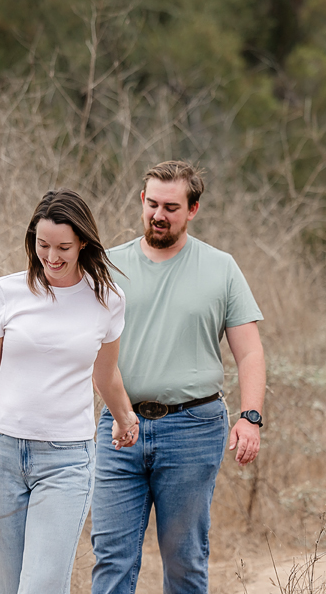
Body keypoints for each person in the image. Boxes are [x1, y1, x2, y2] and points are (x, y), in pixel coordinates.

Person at [0, 188, 140, 594]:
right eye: (43, 245)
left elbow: (106, 374)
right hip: (0, 455)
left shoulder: (107, 299)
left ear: (82, 242)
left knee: (42, 587)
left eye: (63, 247)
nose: (51, 257)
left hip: (66, 461)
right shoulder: (7, 292)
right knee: (4, 587)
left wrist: (125, 418)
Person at [91, 161, 266, 594]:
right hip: (119, 427)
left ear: (193, 210)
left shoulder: (221, 268)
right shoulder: (109, 266)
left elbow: (250, 352)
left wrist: (250, 417)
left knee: (184, 558)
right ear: (141, 201)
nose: (159, 215)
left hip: (193, 429)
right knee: (112, 557)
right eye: (152, 204)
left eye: (171, 207)